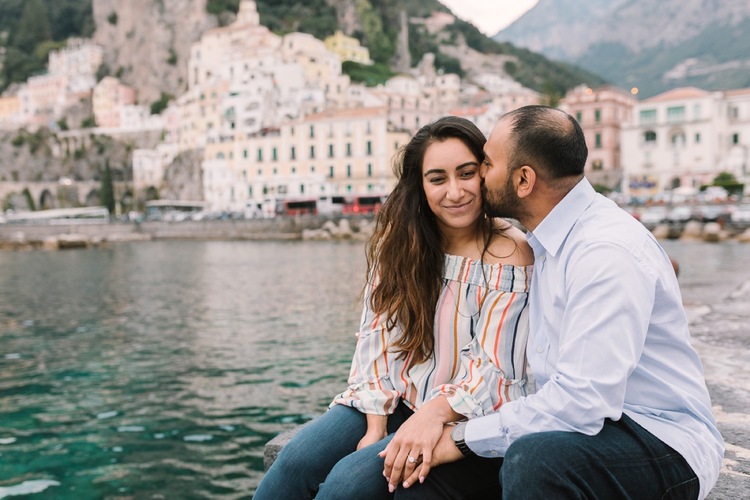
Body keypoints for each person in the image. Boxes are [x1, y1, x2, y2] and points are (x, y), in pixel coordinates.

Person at [383, 105, 724, 499]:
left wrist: (458, 438)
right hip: (579, 427)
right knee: (417, 482)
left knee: (534, 460)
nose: (478, 174)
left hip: (658, 438)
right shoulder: (546, 241)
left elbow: (583, 402)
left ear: (524, 180)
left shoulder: (603, 252)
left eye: (487, 164)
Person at [254, 116, 534, 499]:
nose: (455, 192)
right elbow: (378, 340)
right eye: (437, 179)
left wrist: (430, 417)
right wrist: (375, 424)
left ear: (484, 173)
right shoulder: (402, 244)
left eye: (466, 173)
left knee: (346, 487)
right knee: (294, 464)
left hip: (463, 418)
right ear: (420, 186)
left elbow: (494, 370)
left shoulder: (510, 251)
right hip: (397, 400)